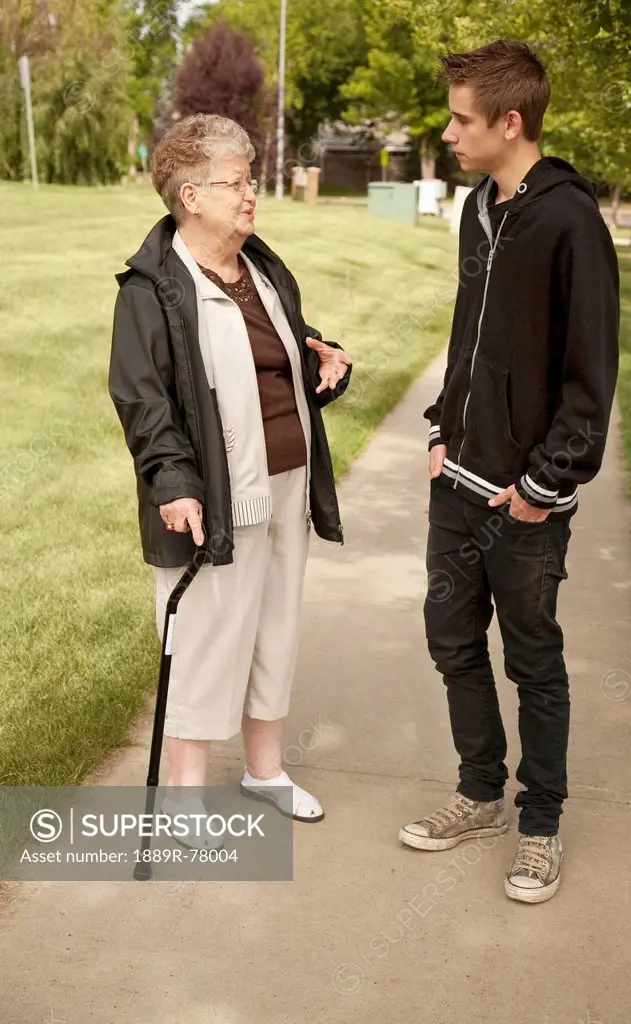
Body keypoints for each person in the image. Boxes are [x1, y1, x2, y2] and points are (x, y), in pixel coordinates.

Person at [399, 41, 619, 903]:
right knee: (453, 644)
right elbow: (470, 336)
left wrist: (544, 484)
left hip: (525, 501)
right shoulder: (477, 209)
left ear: (510, 122)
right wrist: (441, 429)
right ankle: (481, 793)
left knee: (533, 660)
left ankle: (540, 825)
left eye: (461, 118)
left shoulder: (569, 221)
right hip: (457, 481)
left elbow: (590, 373)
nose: (450, 132)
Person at [108, 113, 352, 847]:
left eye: (251, 180)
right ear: (190, 195)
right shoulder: (152, 289)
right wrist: (173, 482)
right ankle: (183, 798)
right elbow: (143, 398)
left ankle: (265, 771)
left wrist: (324, 367)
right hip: (213, 494)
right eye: (236, 183)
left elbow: (277, 365)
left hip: (287, 481)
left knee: (273, 631)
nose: (251, 195)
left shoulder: (262, 269)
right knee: (210, 639)